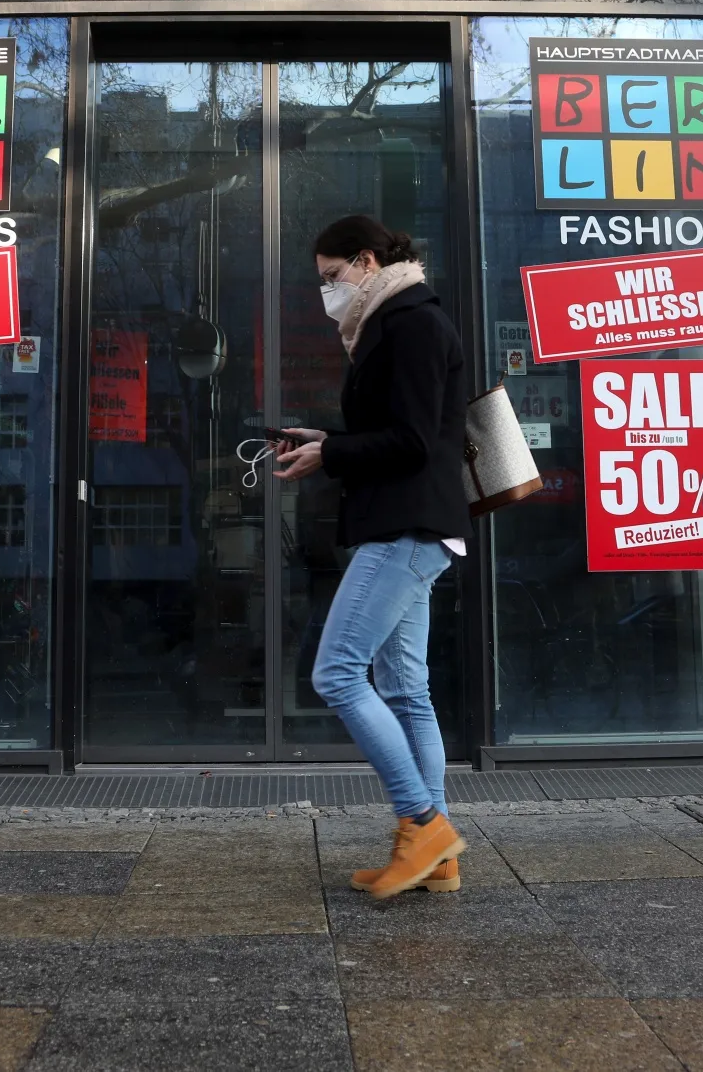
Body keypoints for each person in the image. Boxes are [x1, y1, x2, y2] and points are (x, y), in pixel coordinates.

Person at [273, 215, 470, 898]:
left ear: (364, 260)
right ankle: (436, 856)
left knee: (336, 674)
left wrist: (333, 451)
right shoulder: (394, 319)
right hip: (415, 524)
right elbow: (399, 433)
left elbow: (413, 441)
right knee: (407, 690)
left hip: (406, 527)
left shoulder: (410, 323)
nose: (327, 292)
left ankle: (423, 825)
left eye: (332, 277)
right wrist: (325, 439)